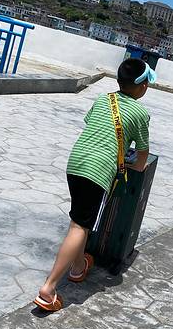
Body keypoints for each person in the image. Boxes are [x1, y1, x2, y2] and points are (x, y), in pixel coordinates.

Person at [34, 57, 155, 312]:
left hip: (77, 162)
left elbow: (94, 125)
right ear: (143, 86)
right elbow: (142, 157)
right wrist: (132, 166)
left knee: (81, 219)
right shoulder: (141, 113)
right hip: (98, 171)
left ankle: (78, 267)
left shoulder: (104, 99)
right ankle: (48, 289)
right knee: (79, 226)